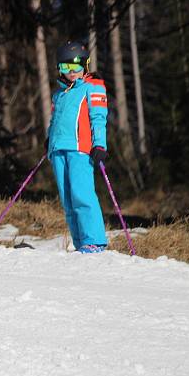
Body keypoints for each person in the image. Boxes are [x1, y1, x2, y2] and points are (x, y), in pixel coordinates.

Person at [48, 41, 109, 253]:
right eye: (65, 68)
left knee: (82, 195)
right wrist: (49, 139)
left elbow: (98, 118)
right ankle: (80, 242)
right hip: (58, 150)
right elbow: (54, 120)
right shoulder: (59, 94)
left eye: (76, 67)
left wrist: (100, 144)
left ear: (86, 65)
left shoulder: (93, 87)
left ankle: (94, 240)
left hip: (81, 149)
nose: (71, 72)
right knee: (67, 200)